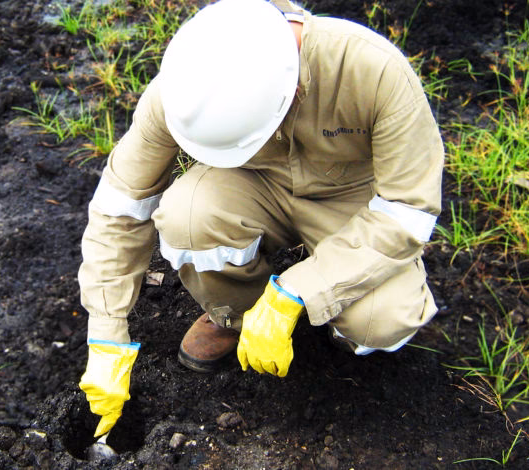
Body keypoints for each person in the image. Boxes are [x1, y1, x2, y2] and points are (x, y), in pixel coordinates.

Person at [78, 0, 443, 438]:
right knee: (185, 216)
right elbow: (120, 206)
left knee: (379, 324)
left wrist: (298, 291)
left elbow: (409, 211)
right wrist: (106, 335)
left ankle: (324, 320)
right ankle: (235, 316)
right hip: (251, 183)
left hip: (350, 200)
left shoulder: (372, 71)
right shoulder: (185, 89)